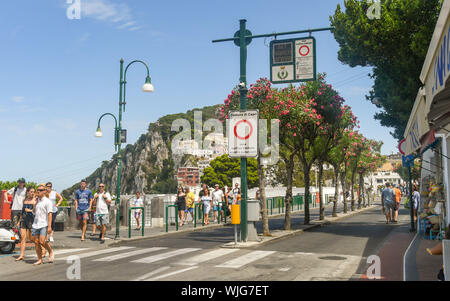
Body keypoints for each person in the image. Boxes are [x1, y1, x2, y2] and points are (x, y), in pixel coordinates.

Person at [31, 184, 54, 265]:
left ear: (44, 191)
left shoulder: (48, 201)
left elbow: (50, 214)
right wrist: (34, 204)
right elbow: (33, 212)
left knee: (42, 241)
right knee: (36, 242)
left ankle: (50, 251)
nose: (38, 191)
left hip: (43, 224)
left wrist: (49, 226)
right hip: (35, 224)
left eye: (40, 190)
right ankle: (40, 259)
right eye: (38, 190)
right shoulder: (37, 201)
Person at [15, 186, 37, 262]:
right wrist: (19, 221)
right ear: (27, 192)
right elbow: (22, 211)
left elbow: (36, 211)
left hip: (31, 220)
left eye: (33, 192)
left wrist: (32, 208)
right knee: (23, 238)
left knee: (32, 239)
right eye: (31, 192)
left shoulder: (35, 200)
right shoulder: (24, 200)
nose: (32, 193)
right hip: (24, 220)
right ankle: (21, 255)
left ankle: (42, 248)